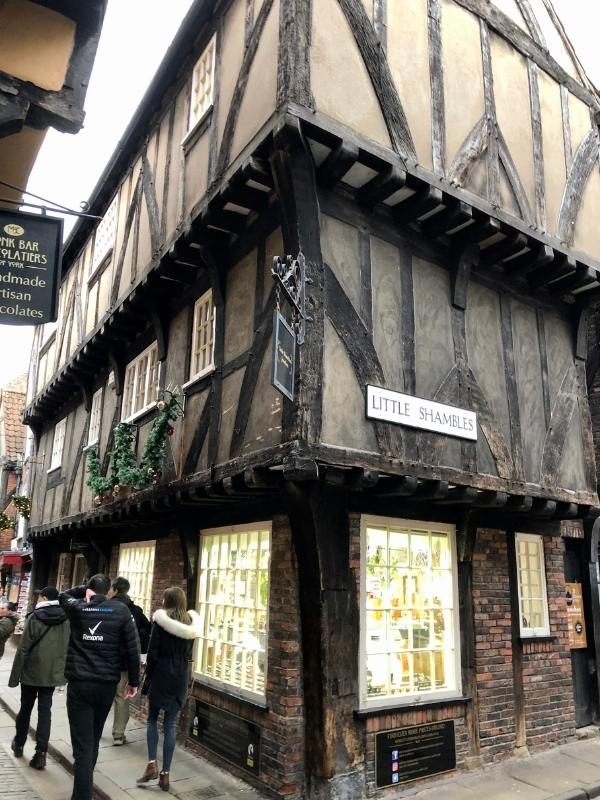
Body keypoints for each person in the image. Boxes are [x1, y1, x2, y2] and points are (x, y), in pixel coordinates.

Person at [60, 574, 140, 800]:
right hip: (105, 686)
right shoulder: (121, 611)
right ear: (110, 591)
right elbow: (133, 649)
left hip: (80, 686)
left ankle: (82, 794)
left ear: (89, 591)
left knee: (83, 744)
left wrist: (83, 589)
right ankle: (85, 785)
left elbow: (63, 595)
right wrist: (133, 682)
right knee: (93, 737)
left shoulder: (77, 608)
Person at [137, 587, 201, 792]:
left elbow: (153, 651)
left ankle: (151, 764)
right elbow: (188, 653)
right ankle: (165, 774)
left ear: (168, 601)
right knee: (171, 723)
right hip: (180, 674)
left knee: (152, 719)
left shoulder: (161, 622)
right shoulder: (192, 624)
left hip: (162, 673)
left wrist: (148, 676)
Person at [8, 587, 69, 769]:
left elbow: (24, 648)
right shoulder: (66, 618)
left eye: (39, 596)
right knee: (45, 712)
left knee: (26, 708)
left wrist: (14, 677)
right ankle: (41, 753)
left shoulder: (35, 617)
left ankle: (19, 744)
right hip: (52, 673)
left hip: (31, 672)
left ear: (44, 597)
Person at [106, 576, 151, 746]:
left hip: (106, 661)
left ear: (116, 590)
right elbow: (148, 631)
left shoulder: (105, 608)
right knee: (121, 697)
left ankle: (96, 728)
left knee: (103, 695)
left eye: (110, 588)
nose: (108, 591)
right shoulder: (136, 611)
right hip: (124, 662)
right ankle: (118, 735)